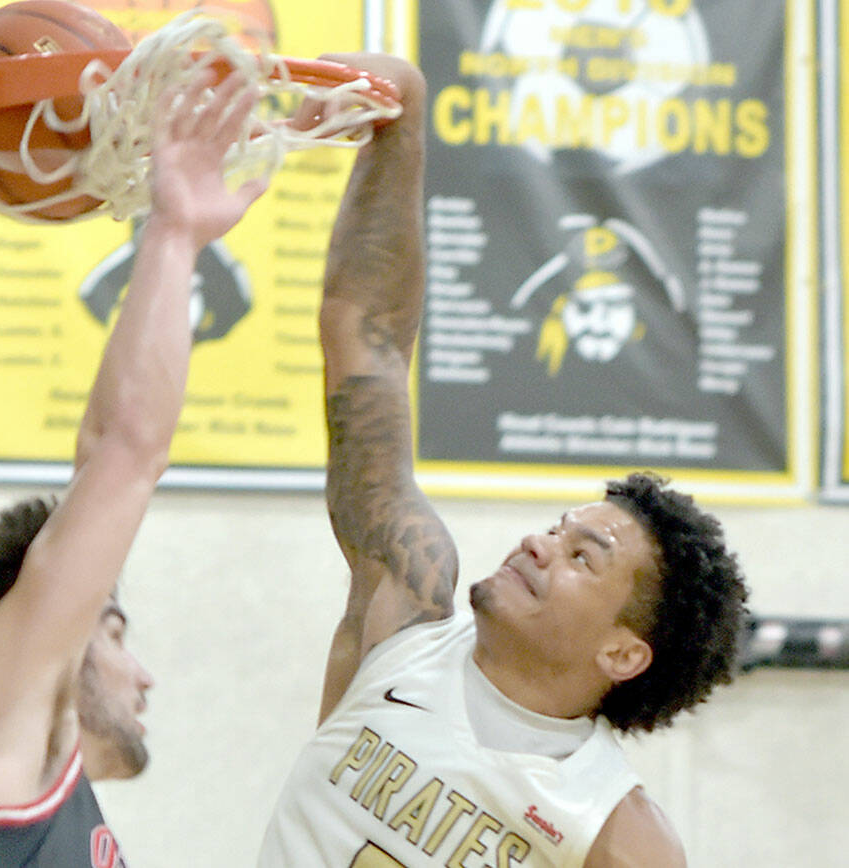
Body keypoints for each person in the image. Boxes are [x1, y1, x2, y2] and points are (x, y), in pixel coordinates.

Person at [258, 54, 750, 868]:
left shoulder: (616, 835)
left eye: (581, 558)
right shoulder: (402, 615)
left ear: (623, 654)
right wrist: (401, 118)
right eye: (560, 531)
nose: (540, 545)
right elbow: (366, 338)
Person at [0, 70, 267, 867]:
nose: (145, 676)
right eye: (114, 632)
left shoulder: (26, 789)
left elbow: (108, 456)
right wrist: (172, 235)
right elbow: (122, 457)